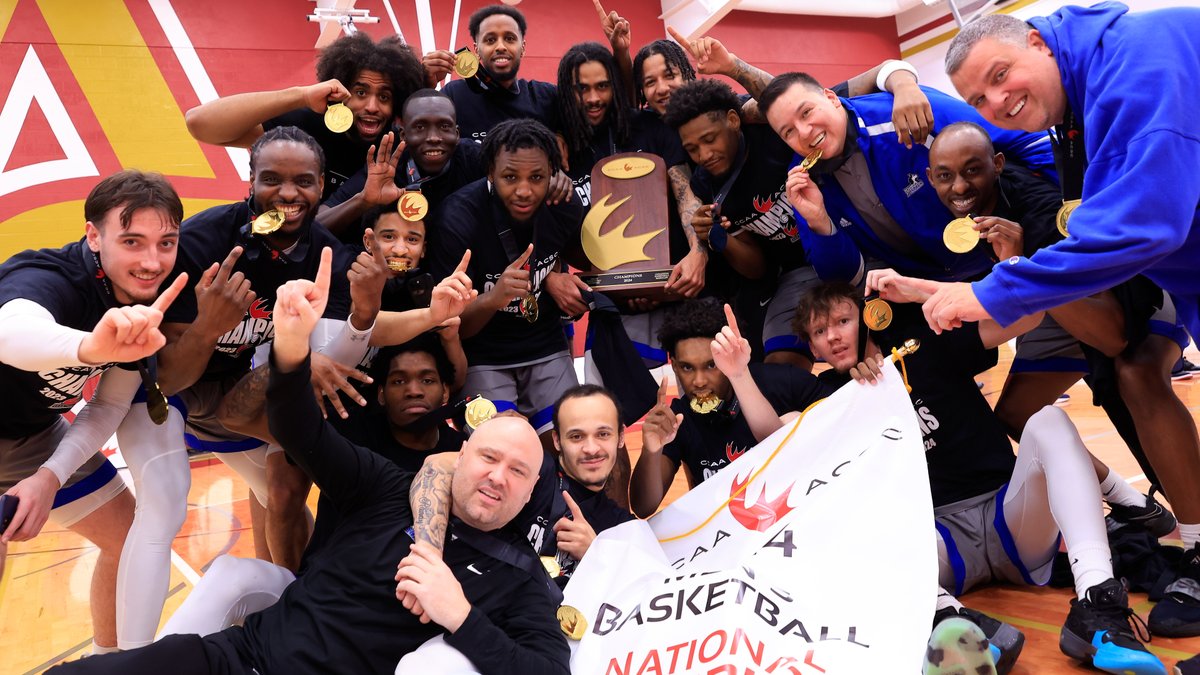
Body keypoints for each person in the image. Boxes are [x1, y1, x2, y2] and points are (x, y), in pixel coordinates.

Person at [49, 251, 569, 675]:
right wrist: (292, 347)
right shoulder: (392, 485)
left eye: (518, 471)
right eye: (488, 458)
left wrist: (459, 614)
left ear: (531, 491)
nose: (498, 476)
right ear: (459, 457)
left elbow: (548, 669)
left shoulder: (515, 577)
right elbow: (299, 431)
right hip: (240, 657)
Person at [929, 8, 1200, 639]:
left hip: (1119, 293)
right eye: (978, 98)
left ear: (1036, 41)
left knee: (1134, 370)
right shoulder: (1075, 114)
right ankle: (1142, 509)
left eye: (1001, 75)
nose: (998, 100)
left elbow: (1143, 224)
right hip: (1108, 289)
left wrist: (998, 287)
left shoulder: (1139, 52)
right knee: (1033, 410)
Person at [796, 278, 1165, 675]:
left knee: (1049, 420)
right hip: (939, 542)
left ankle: (1097, 606)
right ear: (812, 347)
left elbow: (1032, 313)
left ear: (869, 317)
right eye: (819, 331)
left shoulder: (924, 342)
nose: (833, 336)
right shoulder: (826, 401)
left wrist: (924, 292)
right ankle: (962, 626)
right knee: (831, 528)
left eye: (842, 321)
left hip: (1008, 516)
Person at [119, 127, 368, 581]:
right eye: (272, 178)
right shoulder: (201, 243)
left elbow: (325, 359)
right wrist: (209, 325)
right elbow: (168, 379)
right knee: (162, 512)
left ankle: (284, 596)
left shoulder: (327, 254)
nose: (287, 193)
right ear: (250, 179)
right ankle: (123, 646)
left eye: (304, 181)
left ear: (321, 186)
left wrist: (363, 312)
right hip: (158, 391)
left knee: (284, 489)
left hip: (236, 384)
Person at [0, 170, 188, 653]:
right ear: (93, 236)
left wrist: (50, 476)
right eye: (132, 241)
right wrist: (87, 346)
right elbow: (9, 332)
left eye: (165, 243)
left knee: (130, 540)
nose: (151, 261)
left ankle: (105, 664)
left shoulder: (145, 298)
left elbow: (108, 404)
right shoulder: (52, 277)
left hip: (31, 432)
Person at [758, 71, 1054, 285]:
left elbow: (1025, 140)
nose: (805, 133)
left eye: (807, 112)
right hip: (930, 290)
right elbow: (843, 278)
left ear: (832, 99)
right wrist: (820, 223)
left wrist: (1070, 203)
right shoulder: (802, 183)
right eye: (789, 132)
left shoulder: (900, 111)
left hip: (1015, 246)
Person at [429, 119, 584, 440]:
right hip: (481, 357)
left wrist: (557, 277)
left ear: (554, 174)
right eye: (510, 177)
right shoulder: (457, 218)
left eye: (537, 177)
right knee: (501, 445)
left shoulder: (563, 205)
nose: (525, 190)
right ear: (489, 172)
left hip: (545, 347)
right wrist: (493, 298)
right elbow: (451, 325)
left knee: (572, 440)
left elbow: (575, 255)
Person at [629, 299, 829, 518]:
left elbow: (850, 415)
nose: (699, 381)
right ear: (674, 365)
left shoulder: (781, 382)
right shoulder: (677, 419)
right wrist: (651, 450)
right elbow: (643, 507)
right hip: (730, 534)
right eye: (687, 367)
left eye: (711, 365)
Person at [185, 32, 424, 205]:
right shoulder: (306, 124)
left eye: (384, 96)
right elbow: (200, 123)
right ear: (340, 90)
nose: (372, 106)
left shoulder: (399, 147)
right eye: (360, 93)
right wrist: (301, 95)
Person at [316, 89, 486, 241]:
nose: (434, 137)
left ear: (456, 134)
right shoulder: (385, 168)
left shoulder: (476, 158)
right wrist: (363, 200)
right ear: (403, 135)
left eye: (444, 126)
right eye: (420, 127)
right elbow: (314, 226)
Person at [420, 4, 559, 142]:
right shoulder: (454, 95)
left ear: (522, 47)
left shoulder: (546, 97)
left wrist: (562, 135)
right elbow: (420, 136)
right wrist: (425, 86)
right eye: (490, 40)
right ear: (477, 49)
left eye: (509, 38)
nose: (500, 47)